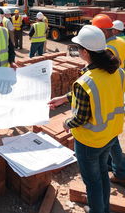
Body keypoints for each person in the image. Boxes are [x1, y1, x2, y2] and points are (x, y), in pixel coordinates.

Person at [48, 25, 124, 213]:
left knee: (92, 182)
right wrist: (64, 98)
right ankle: (104, 209)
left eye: (79, 48)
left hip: (89, 142)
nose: (78, 51)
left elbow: (80, 118)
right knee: (102, 176)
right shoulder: (118, 72)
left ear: (86, 52)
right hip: (110, 135)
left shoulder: (85, 81)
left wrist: (67, 123)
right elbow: (98, 95)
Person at [92, 13, 125, 186]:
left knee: (109, 132)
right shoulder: (121, 41)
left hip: (113, 89)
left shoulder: (109, 48)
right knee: (111, 130)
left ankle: (119, 170)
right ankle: (113, 165)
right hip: (121, 85)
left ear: (105, 32)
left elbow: (102, 74)